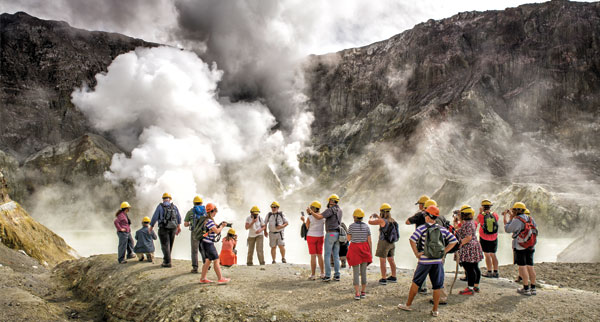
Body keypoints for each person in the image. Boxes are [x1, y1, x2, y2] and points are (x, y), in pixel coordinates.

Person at [398, 205, 458, 318]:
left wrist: (417, 253)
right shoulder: (442, 228)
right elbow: (454, 240)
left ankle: (408, 305)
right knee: (437, 285)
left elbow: (412, 240)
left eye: (425, 214)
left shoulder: (422, 228)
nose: (424, 216)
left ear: (428, 216)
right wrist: (444, 252)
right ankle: (435, 310)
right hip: (438, 261)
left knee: (416, 282)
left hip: (425, 261)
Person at [307, 194, 343, 282]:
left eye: (329, 200)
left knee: (327, 255)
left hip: (330, 234)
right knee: (335, 255)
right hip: (338, 234)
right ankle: (337, 275)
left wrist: (311, 212)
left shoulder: (329, 210)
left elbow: (319, 217)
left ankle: (327, 275)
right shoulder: (340, 210)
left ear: (331, 201)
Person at [504, 202, 537, 296]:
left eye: (513, 210)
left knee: (522, 266)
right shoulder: (530, 218)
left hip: (520, 246)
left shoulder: (517, 220)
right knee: (530, 266)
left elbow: (508, 229)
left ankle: (526, 288)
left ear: (516, 210)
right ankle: (533, 288)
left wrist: (510, 219)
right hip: (531, 245)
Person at [456, 205, 484, 295]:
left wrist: (459, 244)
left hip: (469, 248)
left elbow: (468, 237)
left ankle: (470, 288)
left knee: (469, 268)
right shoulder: (471, 222)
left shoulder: (467, 224)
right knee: (475, 267)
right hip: (475, 246)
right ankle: (475, 286)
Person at [149, 193, 182, 268]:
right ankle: (167, 260)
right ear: (170, 199)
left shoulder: (160, 207)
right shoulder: (174, 207)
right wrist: (178, 227)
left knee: (165, 245)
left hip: (163, 228)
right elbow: (178, 217)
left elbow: (155, 217)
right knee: (170, 244)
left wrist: (151, 227)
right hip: (173, 228)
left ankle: (167, 262)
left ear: (163, 199)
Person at [199, 203, 230, 284]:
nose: (216, 212)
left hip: (204, 242)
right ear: (212, 211)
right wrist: (222, 226)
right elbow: (217, 231)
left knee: (208, 260)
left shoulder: (206, 220)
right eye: (215, 211)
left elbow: (213, 228)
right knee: (216, 260)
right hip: (208, 244)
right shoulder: (209, 221)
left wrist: (219, 225)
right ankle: (220, 278)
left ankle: (203, 278)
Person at [368, 203, 398, 285]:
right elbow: (382, 220)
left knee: (383, 261)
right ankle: (394, 276)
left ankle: (384, 278)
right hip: (391, 242)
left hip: (383, 242)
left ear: (382, 212)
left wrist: (372, 216)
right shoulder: (392, 220)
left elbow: (370, 222)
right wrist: (378, 217)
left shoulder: (381, 221)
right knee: (391, 259)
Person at [405, 195, 430, 294]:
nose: (419, 206)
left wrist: (416, 217)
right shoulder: (436, 215)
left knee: (422, 264)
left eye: (419, 204)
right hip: (434, 244)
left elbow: (407, 222)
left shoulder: (420, 215)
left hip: (421, 243)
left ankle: (422, 287)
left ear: (423, 205)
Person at [347, 209, 372, 300]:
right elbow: (369, 241)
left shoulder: (351, 226)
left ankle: (357, 293)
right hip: (365, 249)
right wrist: (370, 252)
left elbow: (348, 239)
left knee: (356, 272)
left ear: (355, 217)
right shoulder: (366, 227)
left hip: (354, 250)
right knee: (364, 272)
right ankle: (363, 292)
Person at [301, 200, 325, 279]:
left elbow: (307, 227)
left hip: (311, 237)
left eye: (311, 208)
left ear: (314, 208)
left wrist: (303, 221)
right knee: (320, 255)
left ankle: (313, 275)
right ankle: (322, 273)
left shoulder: (310, 217)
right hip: (320, 236)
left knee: (313, 256)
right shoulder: (322, 217)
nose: (310, 209)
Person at [477, 199, 499, 278]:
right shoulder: (495, 215)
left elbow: (476, 223)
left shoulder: (481, 216)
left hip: (484, 237)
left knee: (487, 255)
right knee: (493, 255)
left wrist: (480, 212)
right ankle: (496, 272)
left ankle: (489, 271)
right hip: (494, 237)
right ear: (490, 207)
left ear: (483, 207)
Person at [184, 196, 206, 273]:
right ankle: (206, 265)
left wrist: (190, 223)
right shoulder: (205, 211)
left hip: (194, 232)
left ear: (193, 203)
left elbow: (185, 224)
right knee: (203, 249)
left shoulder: (190, 212)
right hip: (203, 232)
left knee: (194, 251)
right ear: (201, 203)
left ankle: (195, 267)